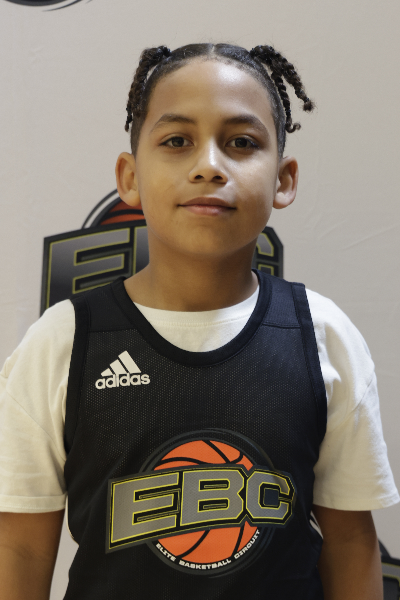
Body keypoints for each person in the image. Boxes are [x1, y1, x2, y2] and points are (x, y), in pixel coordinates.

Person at [0, 42, 398, 600]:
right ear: (130, 176)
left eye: (242, 142)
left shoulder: (320, 335)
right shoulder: (63, 342)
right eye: (177, 141)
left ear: (283, 179)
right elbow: (20, 548)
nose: (209, 165)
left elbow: (352, 543)